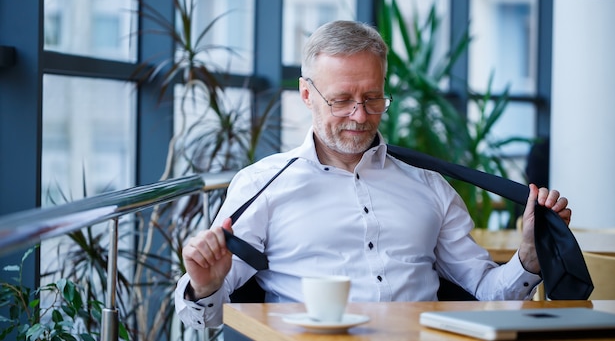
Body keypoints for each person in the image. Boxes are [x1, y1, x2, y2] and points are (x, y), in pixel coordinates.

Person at [174, 20, 571, 329]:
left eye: (373, 98)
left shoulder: (430, 185)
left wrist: (529, 259)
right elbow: (206, 317)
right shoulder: (261, 187)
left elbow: (488, 293)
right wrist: (204, 286)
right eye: (342, 100)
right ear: (307, 94)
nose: (360, 116)